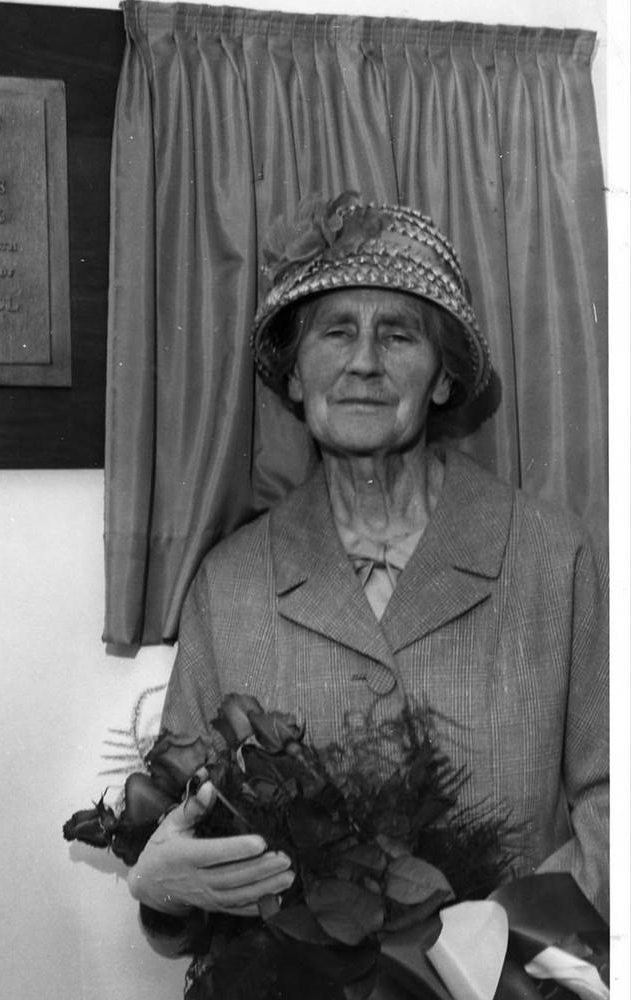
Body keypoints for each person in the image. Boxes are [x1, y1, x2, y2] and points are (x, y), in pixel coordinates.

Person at [127, 193, 609, 930]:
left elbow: (612, 800)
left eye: (398, 335)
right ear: (295, 376)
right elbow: (184, 826)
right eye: (336, 332)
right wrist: (159, 888)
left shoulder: (551, 556)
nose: (363, 363)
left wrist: (510, 946)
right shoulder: (230, 584)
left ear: (442, 378)